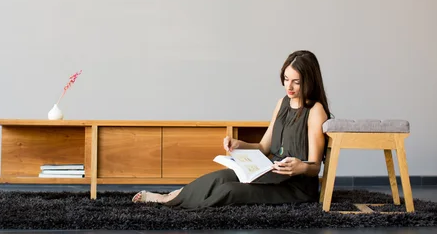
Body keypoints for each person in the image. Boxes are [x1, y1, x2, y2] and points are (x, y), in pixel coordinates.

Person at [131, 50, 332, 209]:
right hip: (270, 172)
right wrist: (239, 144)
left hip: (295, 187)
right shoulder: (282, 104)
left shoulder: (315, 111)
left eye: (296, 82)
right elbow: (263, 147)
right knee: (217, 178)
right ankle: (166, 198)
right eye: (286, 79)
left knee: (228, 191)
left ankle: (173, 204)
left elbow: (314, 167)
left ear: (309, 81)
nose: (289, 86)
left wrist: (301, 166)